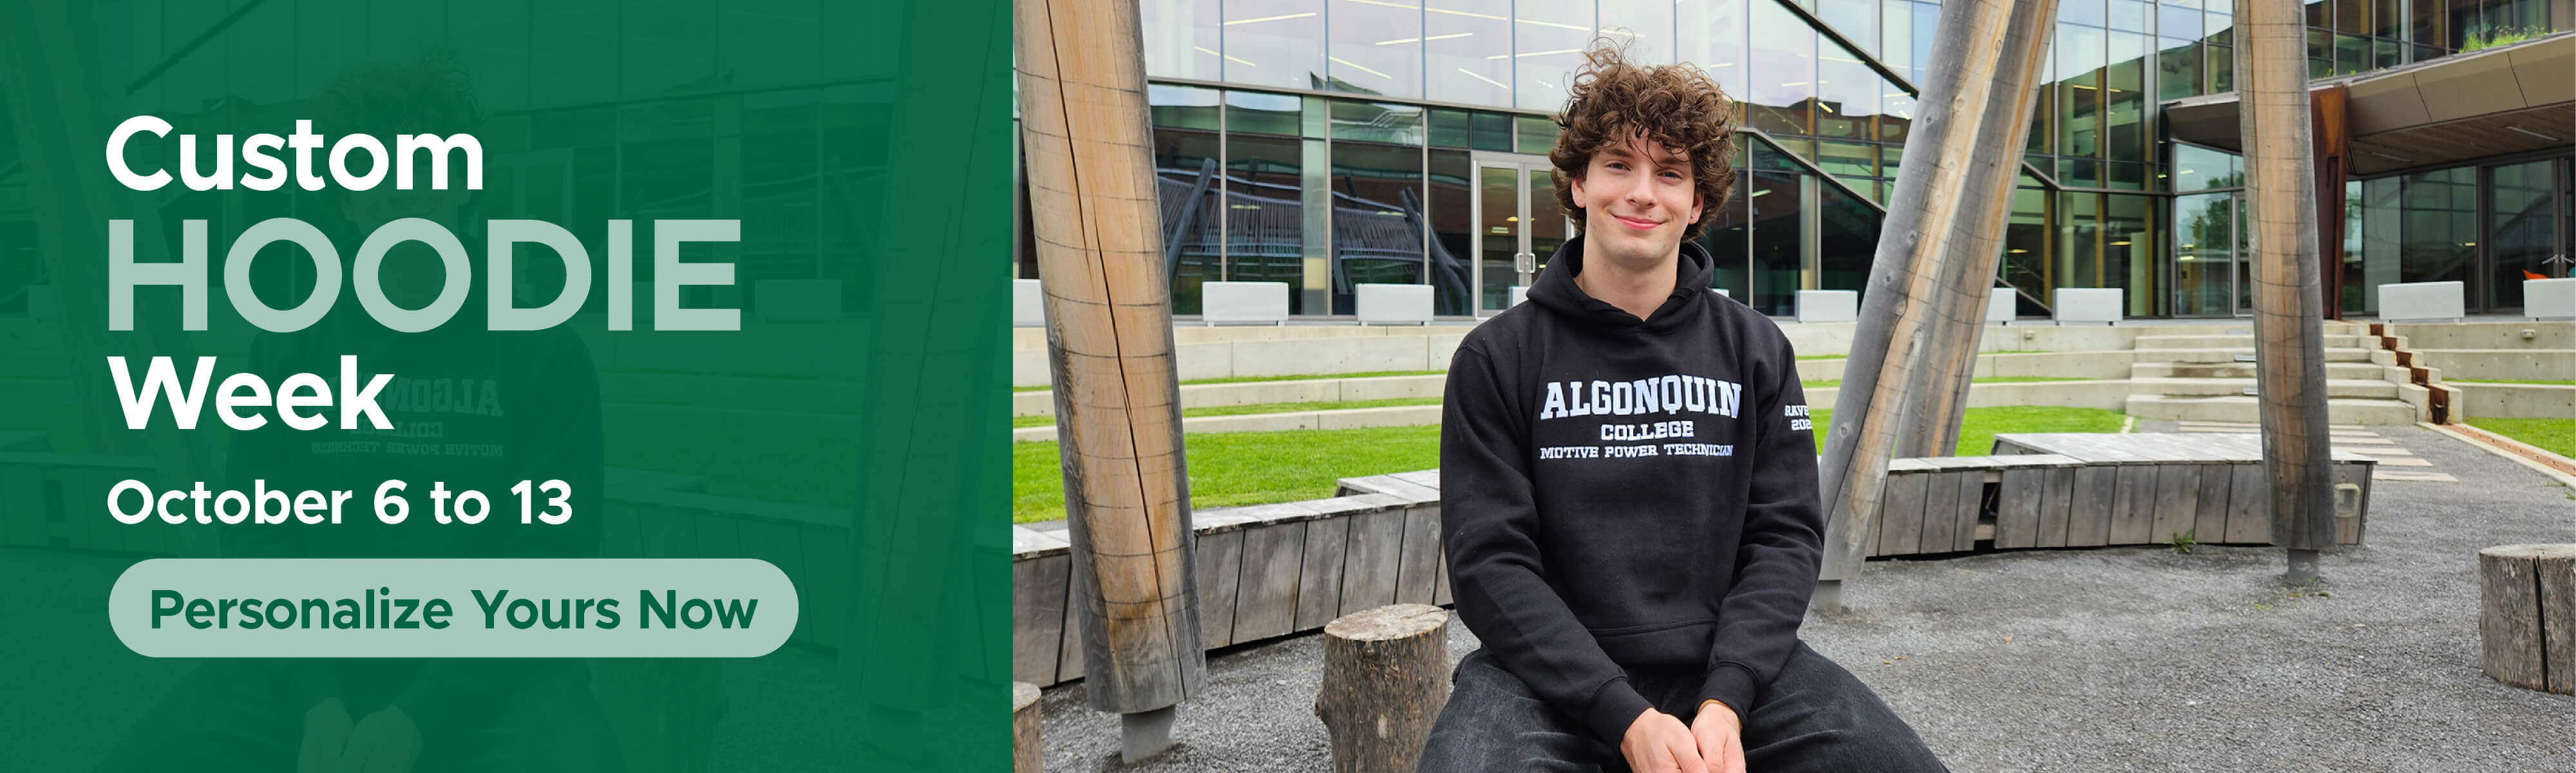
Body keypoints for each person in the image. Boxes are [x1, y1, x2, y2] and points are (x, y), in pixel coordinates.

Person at [1418, 44, 1946, 773]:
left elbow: (1785, 539)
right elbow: (1490, 566)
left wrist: (1728, 698)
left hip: (1726, 668)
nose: (1642, 192)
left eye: (1669, 173)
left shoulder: (1754, 348)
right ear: (1577, 185)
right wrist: (1623, 715)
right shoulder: (1496, 359)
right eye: (1617, 165)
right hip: (1545, 678)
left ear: (1696, 203)